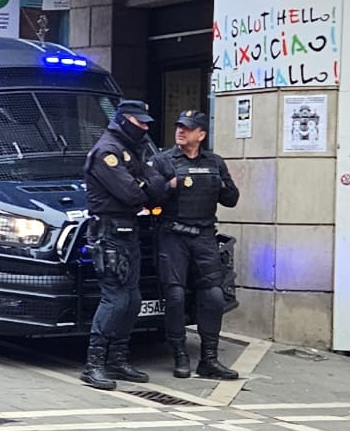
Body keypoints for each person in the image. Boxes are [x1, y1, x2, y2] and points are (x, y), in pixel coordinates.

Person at [81, 96, 167, 391]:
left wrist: (145, 184)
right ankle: (94, 365)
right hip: (109, 233)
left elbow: (156, 187)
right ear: (123, 120)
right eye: (139, 123)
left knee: (132, 299)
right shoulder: (108, 152)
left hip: (128, 231)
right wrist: (145, 184)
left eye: (146, 123)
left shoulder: (132, 149)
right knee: (115, 298)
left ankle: (118, 358)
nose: (144, 128)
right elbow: (134, 194)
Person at [150, 109, 241, 381]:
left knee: (213, 296)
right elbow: (149, 198)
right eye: (179, 126)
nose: (181, 131)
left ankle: (209, 359)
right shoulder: (163, 161)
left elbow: (232, 199)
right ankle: (180, 355)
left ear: (201, 135)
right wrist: (171, 185)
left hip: (203, 235)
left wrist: (220, 185)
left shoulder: (215, 162)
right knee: (176, 297)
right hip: (173, 235)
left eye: (187, 128)